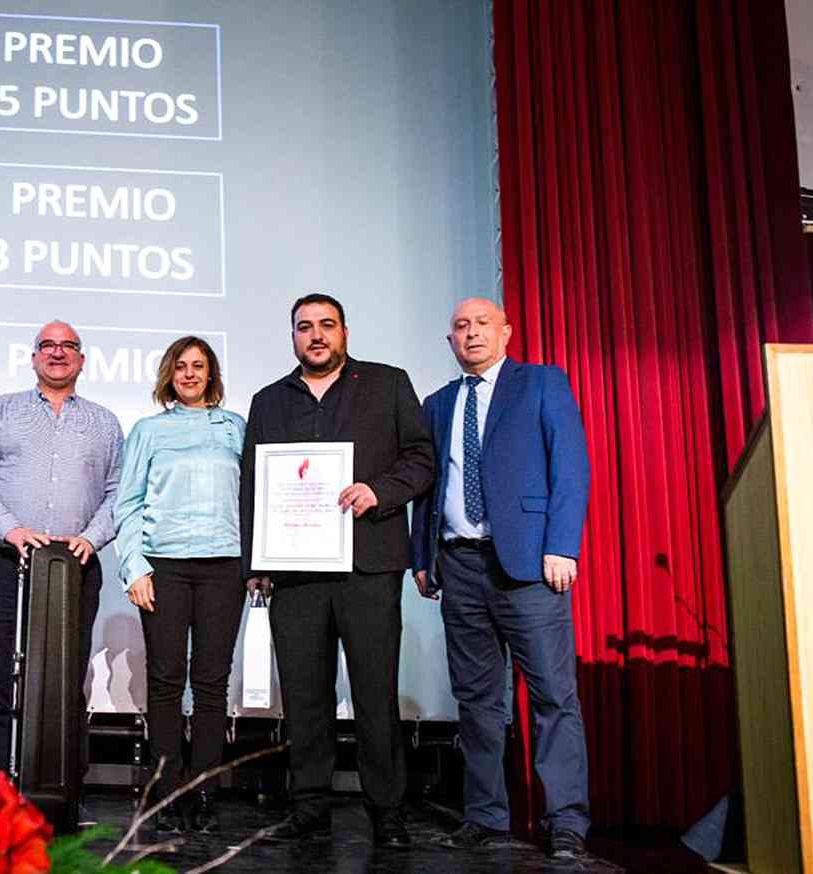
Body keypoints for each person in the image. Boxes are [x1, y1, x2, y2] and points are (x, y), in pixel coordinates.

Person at [239, 294, 435, 847]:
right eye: (305, 327)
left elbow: (420, 459)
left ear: (345, 331)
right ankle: (309, 807)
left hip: (367, 566)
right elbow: (253, 485)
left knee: (376, 692)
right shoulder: (269, 400)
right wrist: (255, 564)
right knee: (304, 696)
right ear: (293, 336)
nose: (316, 335)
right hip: (293, 571)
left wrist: (381, 491)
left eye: (327, 325)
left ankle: (387, 811)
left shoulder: (387, 384)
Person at [410, 297, 592, 859]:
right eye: (461, 327)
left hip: (531, 566)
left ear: (506, 332)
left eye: (482, 324)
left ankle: (566, 823)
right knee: (478, 700)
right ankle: (487, 815)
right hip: (459, 566)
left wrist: (562, 545)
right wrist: (422, 555)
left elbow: (571, 467)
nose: (472, 334)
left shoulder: (541, 384)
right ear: (450, 341)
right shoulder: (437, 403)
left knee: (553, 697)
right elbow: (429, 483)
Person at [0, 321, 124, 782]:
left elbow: (120, 493)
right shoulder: (1, 411)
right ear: (33, 357)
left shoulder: (104, 422)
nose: (57, 353)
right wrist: (9, 529)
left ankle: (63, 789)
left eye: (67, 346)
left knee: (67, 684)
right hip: (7, 561)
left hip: (75, 565)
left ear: (82, 359)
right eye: (47, 345)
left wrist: (91, 537)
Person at [114, 336, 246, 834]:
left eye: (199, 366)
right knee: (166, 683)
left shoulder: (235, 428)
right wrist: (135, 568)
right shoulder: (148, 431)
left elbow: (251, 499)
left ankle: (205, 790)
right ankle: (167, 793)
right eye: (181, 367)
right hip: (164, 568)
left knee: (212, 685)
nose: (190, 374)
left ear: (211, 374)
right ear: (169, 374)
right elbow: (126, 504)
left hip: (223, 567)